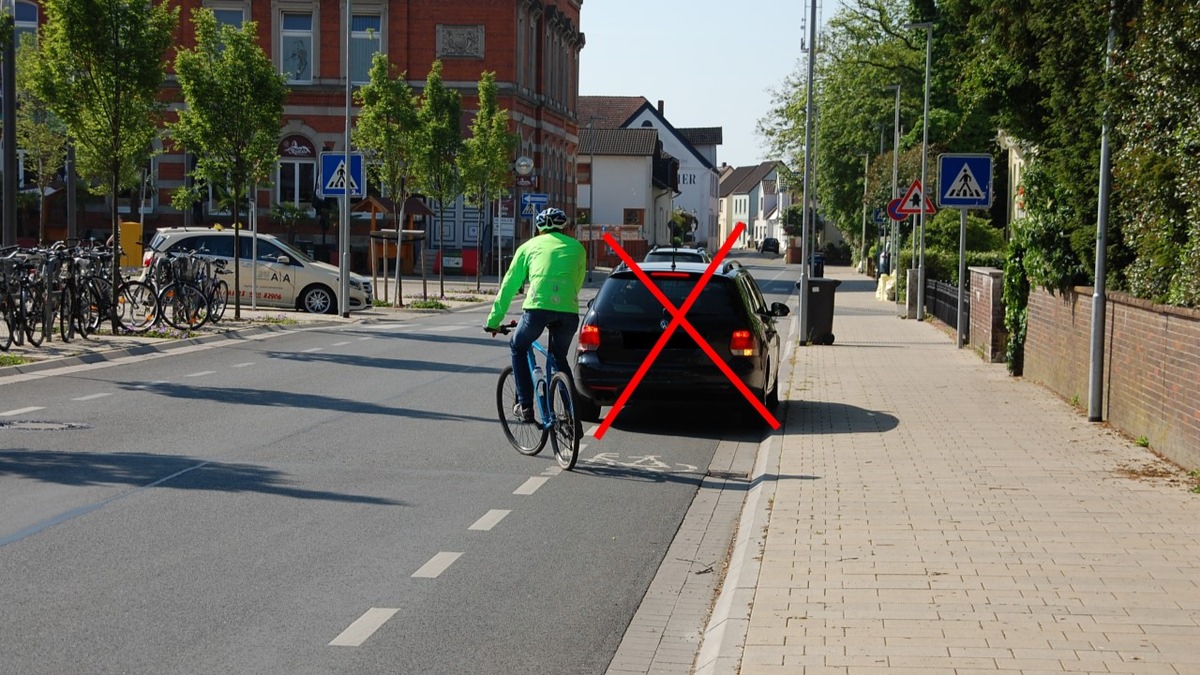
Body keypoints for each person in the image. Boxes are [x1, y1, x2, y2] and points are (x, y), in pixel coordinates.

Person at [485, 207, 587, 423]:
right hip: (568, 311)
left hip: (537, 309)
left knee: (518, 346)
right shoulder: (577, 247)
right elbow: (577, 282)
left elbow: (509, 285)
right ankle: (572, 414)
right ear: (565, 227)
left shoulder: (528, 246)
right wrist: (564, 301)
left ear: (539, 229)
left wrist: (494, 321)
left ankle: (526, 406)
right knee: (559, 358)